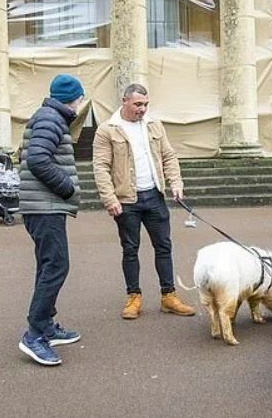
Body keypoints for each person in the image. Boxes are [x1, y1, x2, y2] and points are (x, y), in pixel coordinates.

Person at [92, 83, 195, 320]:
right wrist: (109, 199)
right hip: (126, 200)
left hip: (154, 196)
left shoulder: (154, 124)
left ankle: (168, 296)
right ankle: (133, 297)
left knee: (164, 246)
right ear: (125, 101)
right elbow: (101, 167)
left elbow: (168, 156)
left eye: (146, 104)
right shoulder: (108, 129)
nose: (143, 109)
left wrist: (175, 183)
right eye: (138, 104)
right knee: (130, 249)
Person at [17, 74, 84, 366]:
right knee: (57, 265)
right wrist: (66, 188)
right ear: (75, 98)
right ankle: (34, 334)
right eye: (81, 97)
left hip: (44, 205)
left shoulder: (50, 117)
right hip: (44, 206)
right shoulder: (50, 118)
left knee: (49, 264)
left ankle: (44, 325)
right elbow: (38, 159)